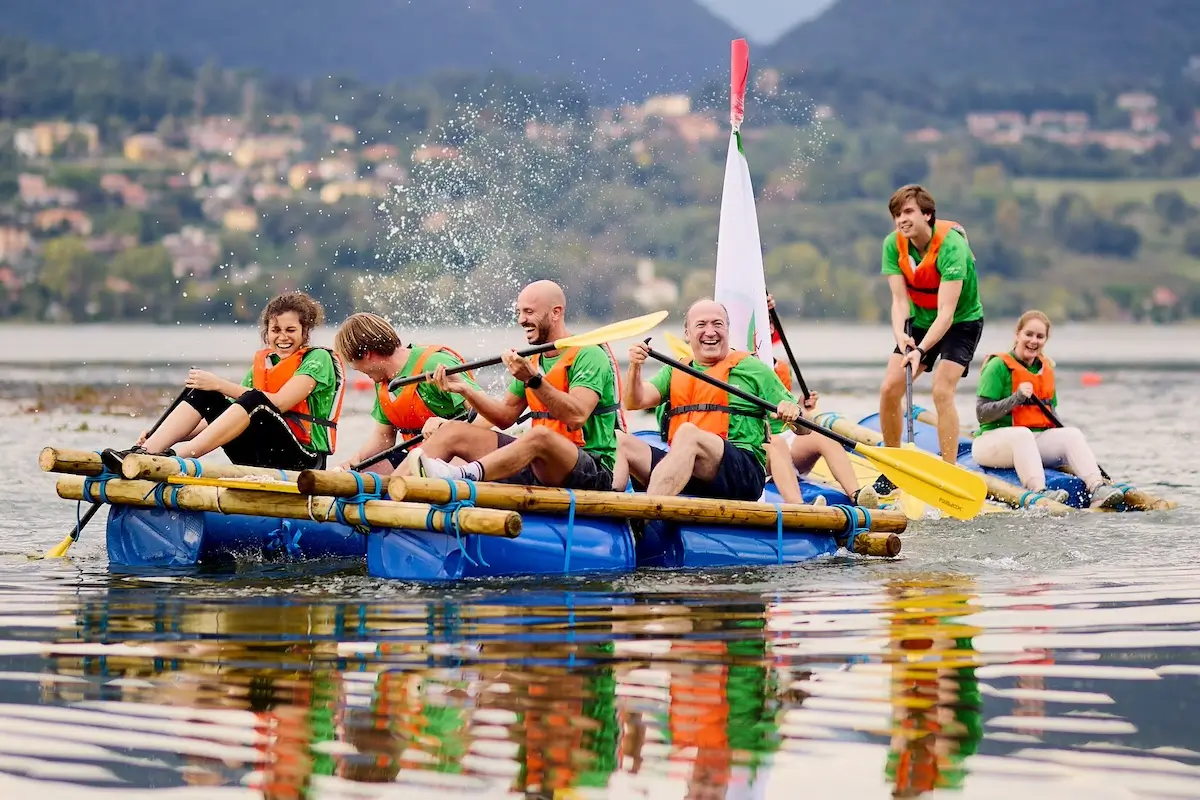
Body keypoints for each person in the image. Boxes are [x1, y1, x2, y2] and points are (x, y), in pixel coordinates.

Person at [413, 280, 622, 490]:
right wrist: (465, 389)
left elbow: (576, 417)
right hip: (541, 464)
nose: (522, 320)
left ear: (556, 313)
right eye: (519, 312)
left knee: (538, 436)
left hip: (592, 469)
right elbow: (505, 416)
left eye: (529, 312)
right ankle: (398, 485)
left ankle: (463, 475)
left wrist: (533, 380)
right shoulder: (532, 360)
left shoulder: (589, 355)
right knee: (453, 430)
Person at [101, 292, 345, 472]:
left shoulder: (318, 359)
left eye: (290, 330)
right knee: (204, 393)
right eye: (275, 329)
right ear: (267, 331)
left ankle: (173, 459)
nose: (282, 337)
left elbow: (278, 403)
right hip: (258, 453)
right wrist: (171, 434)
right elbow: (226, 421)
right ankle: (146, 452)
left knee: (252, 398)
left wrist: (219, 383)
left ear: (305, 331)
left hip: (302, 460)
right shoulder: (265, 363)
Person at [619, 298, 800, 501]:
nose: (710, 332)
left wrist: (795, 413)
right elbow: (634, 402)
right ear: (687, 334)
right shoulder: (676, 369)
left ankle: (646, 513)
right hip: (688, 469)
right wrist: (635, 367)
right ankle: (609, 517)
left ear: (728, 331)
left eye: (717, 324)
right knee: (620, 441)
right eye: (701, 325)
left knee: (688, 433)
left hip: (741, 473)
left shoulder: (754, 369)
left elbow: (804, 428)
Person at [876, 184, 985, 493]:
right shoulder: (892, 245)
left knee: (941, 390)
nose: (901, 220)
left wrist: (921, 350)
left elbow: (947, 313)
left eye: (908, 212)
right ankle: (893, 464)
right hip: (919, 322)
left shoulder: (952, 247)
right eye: (897, 215)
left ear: (927, 214)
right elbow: (899, 301)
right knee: (889, 389)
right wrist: (900, 335)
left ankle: (949, 471)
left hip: (960, 323)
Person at [971, 310, 1123, 509]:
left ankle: (1097, 488)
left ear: (1045, 340)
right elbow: (982, 414)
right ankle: (1039, 492)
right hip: (990, 444)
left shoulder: (1046, 369)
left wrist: (1066, 446)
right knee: (1022, 435)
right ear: (1017, 334)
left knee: (1071, 434)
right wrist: (1016, 398)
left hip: (1031, 442)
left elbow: (1052, 414)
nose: (1034, 341)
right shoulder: (998, 366)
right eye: (1029, 334)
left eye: (1039, 336)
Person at [762, 295, 879, 508]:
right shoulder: (736, 363)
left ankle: (857, 495)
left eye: (769, 325)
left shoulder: (780, 367)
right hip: (761, 446)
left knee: (824, 435)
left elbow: (784, 409)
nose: (768, 329)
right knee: (776, 443)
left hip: (785, 440)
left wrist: (800, 407)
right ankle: (797, 505)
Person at [331, 312, 479, 474]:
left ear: (366, 354)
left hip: (460, 454)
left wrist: (448, 427)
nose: (355, 369)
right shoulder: (382, 380)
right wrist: (355, 460)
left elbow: (485, 417)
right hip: (417, 459)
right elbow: (384, 437)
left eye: (353, 363)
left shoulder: (434, 364)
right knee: (359, 473)